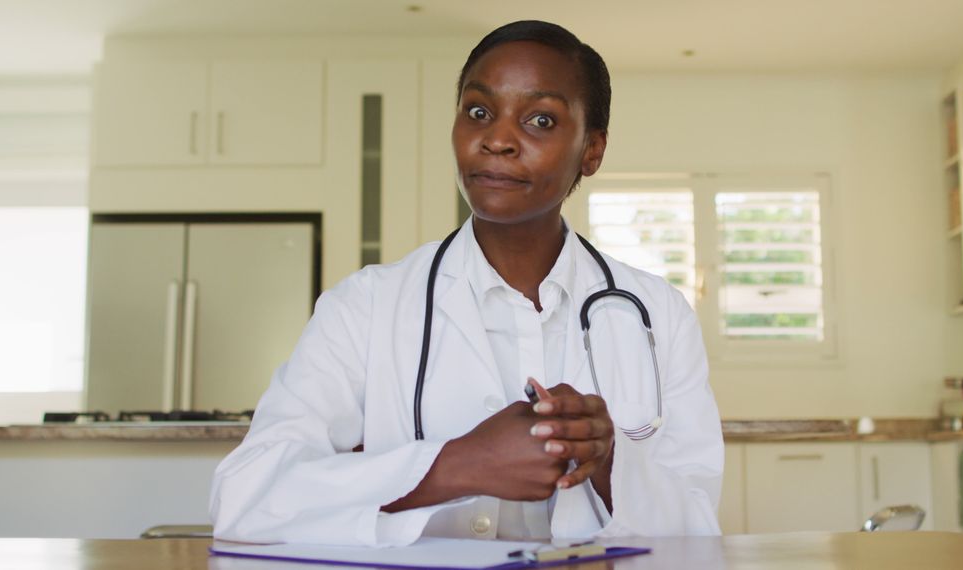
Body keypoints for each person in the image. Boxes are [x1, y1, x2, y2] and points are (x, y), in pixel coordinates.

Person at [209, 20, 723, 547]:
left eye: (541, 120)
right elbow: (245, 498)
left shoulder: (657, 312)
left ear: (592, 150)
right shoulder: (364, 306)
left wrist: (609, 463)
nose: (497, 139)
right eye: (478, 112)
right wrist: (456, 466)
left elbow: (700, 530)